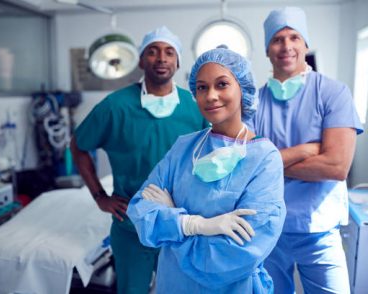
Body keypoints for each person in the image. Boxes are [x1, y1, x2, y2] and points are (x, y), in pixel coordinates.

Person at [127, 47, 286, 293]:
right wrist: (195, 224)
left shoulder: (264, 159)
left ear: (242, 89)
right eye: (201, 87)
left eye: (222, 84)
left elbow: (238, 254)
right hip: (173, 284)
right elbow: (140, 210)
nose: (210, 95)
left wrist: (174, 225)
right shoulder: (183, 148)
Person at [70, 26, 208, 294]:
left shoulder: (195, 107)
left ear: (178, 61)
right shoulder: (115, 106)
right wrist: (99, 195)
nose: (161, 58)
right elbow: (78, 145)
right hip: (132, 225)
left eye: (169, 52)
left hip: (181, 224)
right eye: (152, 52)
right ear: (142, 60)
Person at [250, 7, 364, 294]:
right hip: (269, 228)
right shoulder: (254, 103)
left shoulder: (332, 93)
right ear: (267, 49)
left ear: (305, 44)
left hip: (319, 230)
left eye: (294, 37)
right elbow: (248, 166)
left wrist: (271, 162)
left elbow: (336, 166)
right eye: (277, 39)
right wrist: (307, 150)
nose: (286, 46)